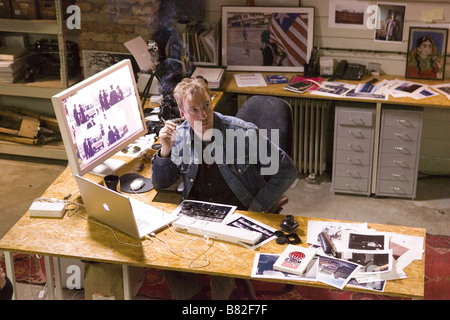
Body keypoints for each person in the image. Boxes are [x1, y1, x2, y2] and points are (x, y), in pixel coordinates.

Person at [151, 77, 298, 299]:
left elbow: (287, 170)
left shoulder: (243, 133)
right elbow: (161, 183)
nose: (203, 115)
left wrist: (257, 206)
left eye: (206, 106)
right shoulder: (179, 136)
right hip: (196, 213)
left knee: (222, 268)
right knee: (164, 250)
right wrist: (165, 149)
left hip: (236, 214)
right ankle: (193, 296)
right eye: (194, 110)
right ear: (182, 114)